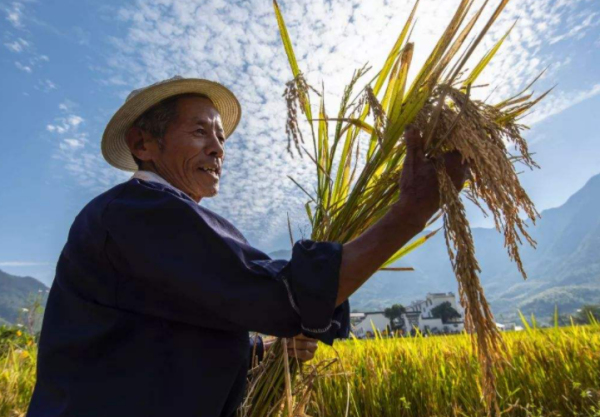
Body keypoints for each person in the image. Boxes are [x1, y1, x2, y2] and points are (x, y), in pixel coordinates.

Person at [27, 76, 467, 417]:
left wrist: (262, 353)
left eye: (221, 137)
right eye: (201, 131)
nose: (219, 149)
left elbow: (169, 340)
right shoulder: (136, 213)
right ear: (143, 144)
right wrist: (411, 211)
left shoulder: (160, 222)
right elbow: (284, 298)